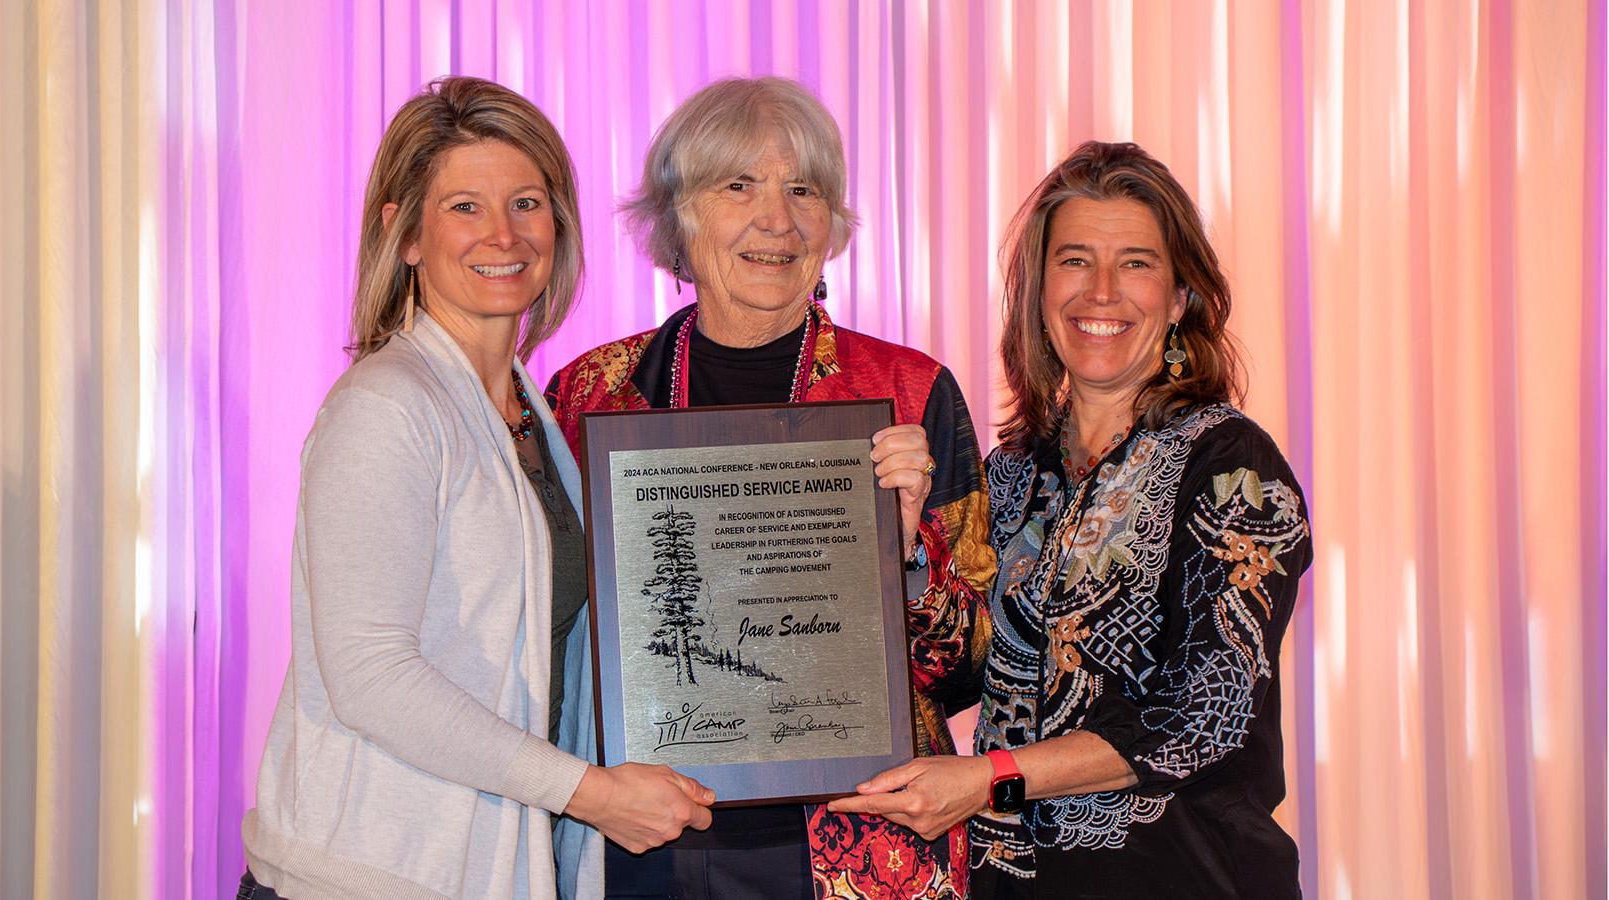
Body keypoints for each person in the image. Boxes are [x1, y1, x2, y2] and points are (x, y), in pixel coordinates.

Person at [237, 77, 714, 900]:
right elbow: (373, 675)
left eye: (527, 202)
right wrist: (592, 794)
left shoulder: (532, 415)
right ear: (406, 233)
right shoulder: (388, 407)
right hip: (367, 877)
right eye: (465, 207)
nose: (503, 234)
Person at [546, 77, 995, 900]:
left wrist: (906, 559)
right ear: (680, 216)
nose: (776, 220)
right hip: (644, 836)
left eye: (804, 190)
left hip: (856, 840)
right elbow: (548, 631)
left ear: (833, 224)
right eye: (738, 185)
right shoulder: (588, 396)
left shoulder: (909, 389)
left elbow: (976, 667)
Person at [828, 141, 1313, 899]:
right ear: (1039, 291)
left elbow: (1199, 718)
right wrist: (905, 550)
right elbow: (963, 680)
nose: (1103, 293)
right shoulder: (1015, 472)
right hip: (1012, 876)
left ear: (1181, 296)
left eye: (1138, 264)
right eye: (1076, 260)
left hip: (1187, 878)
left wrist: (984, 779)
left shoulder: (1231, 467)